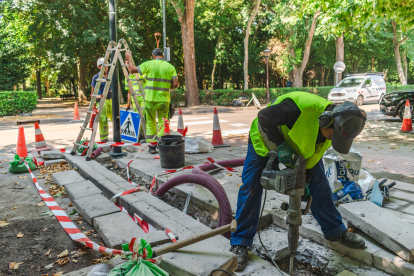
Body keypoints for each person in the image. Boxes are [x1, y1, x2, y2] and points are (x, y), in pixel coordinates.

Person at [230, 92, 367, 271]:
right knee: (251, 186)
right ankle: (240, 243)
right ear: (327, 122)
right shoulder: (300, 109)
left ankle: (335, 232)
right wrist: (281, 145)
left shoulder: (335, 127)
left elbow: (312, 157)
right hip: (265, 140)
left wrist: (307, 182)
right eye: (333, 136)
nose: (332, 141)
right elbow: (263, 117)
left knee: (321, 186)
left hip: (298, 148)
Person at [125, 48, 179, 154]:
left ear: (153, 56)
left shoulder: (148, 64)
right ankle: (162, 144)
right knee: (163, 122)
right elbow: (176, 84)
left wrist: (129, 58)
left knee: (150, 122)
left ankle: (152, 147)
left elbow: (131, 70)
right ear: (162, 56)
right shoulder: (170, 67)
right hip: (164, 99)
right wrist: (166, 87)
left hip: (150, 99)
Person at [91, 57, 113, 142]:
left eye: (107, 65)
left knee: (116, 119)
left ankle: (120, 136)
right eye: (103, 66)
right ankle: (104, 138)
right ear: (99, 67)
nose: (106, 67)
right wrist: (93, 106)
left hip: (112, 100)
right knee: (103, 119)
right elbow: (93, 92)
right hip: (101, 101)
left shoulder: (111, 75)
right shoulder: (96, 77)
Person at [125, 65, 146, 142]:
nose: (127, 65)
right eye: (126, 63)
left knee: (143, 117)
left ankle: (144, 135)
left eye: (128, 63)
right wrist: (128, 104)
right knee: (136, 118)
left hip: (143, 98)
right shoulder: (127, 76)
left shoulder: (139, 73)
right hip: (135, 100)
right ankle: (138, 135)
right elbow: (129, 92)